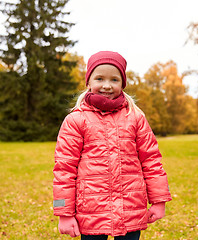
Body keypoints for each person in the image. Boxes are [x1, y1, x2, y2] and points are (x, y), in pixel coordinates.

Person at [53, 51, 172, 240]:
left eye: (114, 80)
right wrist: (64, 213)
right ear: (88, 82)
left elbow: (152, 161)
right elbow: (63, 170)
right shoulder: (76, 120)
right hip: (90, 210)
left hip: (130, 208)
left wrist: (159, 201)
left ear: (122, 83)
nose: (107, 86)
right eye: (99, 78)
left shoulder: (135, 117)